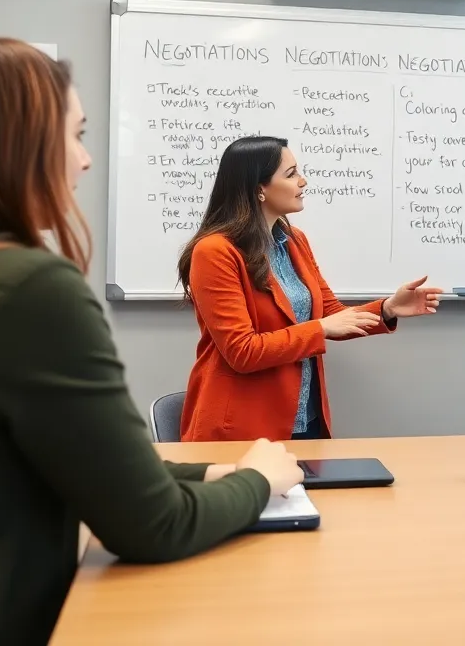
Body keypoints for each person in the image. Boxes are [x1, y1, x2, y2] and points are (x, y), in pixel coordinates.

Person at [0, 39, 304, 646]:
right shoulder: (22, 288)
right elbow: (154, 527)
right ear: (13, 145)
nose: (85, 161)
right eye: (75, 135)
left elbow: (67, 465)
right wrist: (258, 481)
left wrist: (210, 472)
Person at [178, 136, 442, 442]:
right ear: (259, 189)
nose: (303, 181)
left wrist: (387, 309)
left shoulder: (294, 241)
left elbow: (330, 313)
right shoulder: (214, 251)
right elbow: (242, 351)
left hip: (306, 418)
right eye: (291, 174)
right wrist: (320, 329)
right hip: (244, 426)